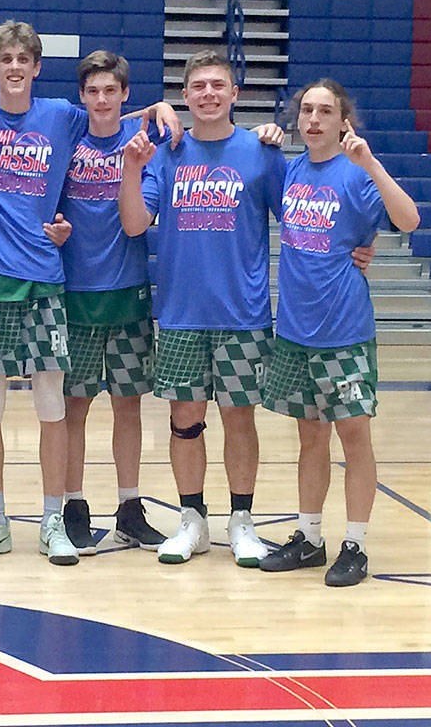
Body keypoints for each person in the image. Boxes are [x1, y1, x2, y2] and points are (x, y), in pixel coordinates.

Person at [0, 22, 181, 566]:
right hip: (6, 282)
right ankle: (13, 517)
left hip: (63, 282)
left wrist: (163, 107)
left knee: (78, 405)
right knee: (1, 408)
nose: (15, 66)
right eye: (5, 58)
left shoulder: (66, 119)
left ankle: (79, 514)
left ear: (37, 67)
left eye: (23, 58)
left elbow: (118, 117)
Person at [118, 49, 290, 567]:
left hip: (243, 314)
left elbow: (300, 218)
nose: (209, 94)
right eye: (199, 86)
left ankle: (242, 521)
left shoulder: (261, 152)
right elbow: (134, 224)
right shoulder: (166, 153)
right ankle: (192, 519)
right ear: (185, 96)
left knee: (239, 419)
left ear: (235, 94)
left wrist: (357, 244)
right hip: (180, 314)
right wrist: (131, 170)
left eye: (218, 85)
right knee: (185, 420)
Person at [259, 80, 418, 586]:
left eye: (325, 111)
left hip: (344, 330)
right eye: (306, 110)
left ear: (342, 120)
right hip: (295, 330)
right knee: (310, 438)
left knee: (354, 438)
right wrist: (263, 133)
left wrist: (370, 162)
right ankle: (309, 537)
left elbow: (409, 219)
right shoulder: (291, 170)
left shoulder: (357, 172)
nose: (313, 119)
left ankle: (355, 545)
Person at [55, 50, 169, 554]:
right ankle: (73, 505)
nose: (101, 100)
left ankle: (129, 508)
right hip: (75, 293)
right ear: (81, 96)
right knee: (74, 407)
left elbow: (141, 220)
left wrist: (161, 109)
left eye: (110, 91)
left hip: (128, 292)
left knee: (129, 405)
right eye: (92, 91)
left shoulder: (143, 144)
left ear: (125, 94)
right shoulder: (66, 138)